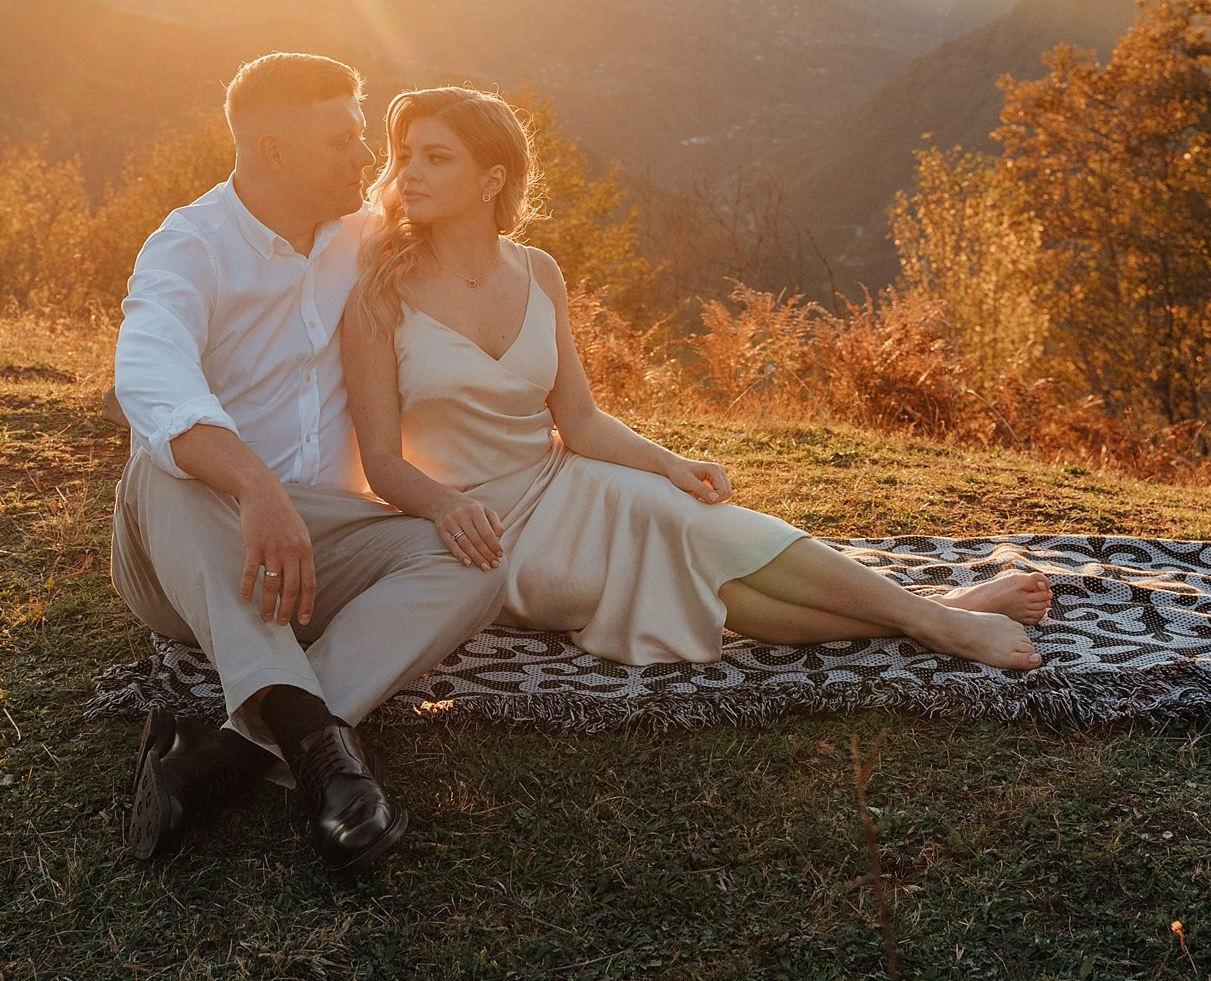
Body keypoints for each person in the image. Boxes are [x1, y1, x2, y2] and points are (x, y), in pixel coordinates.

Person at [344, 87, 1052, 669]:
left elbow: (579, 420)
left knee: (701, 525)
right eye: (406, 156)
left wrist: (670, 463)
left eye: (436, 157)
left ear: (492, 179)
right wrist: (445, 506)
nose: (409, 173)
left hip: (567, 483)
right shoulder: (380, 290)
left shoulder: (539, 271)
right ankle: (939, 615)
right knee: (716, 590)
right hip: (486, 536)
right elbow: (379, 460)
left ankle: (936, 618)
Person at [109, 55, 504, 877]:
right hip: (192, 549)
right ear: (273, 149)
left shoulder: (364, 237)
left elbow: (471, 251)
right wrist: (254, 486)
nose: (367, 157)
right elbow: (151, 382)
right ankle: (322, 752)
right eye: (343, 139)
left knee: (474, 561)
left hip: (321, 546)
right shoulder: (188, 246)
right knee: (160, 465)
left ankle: (225, 755)